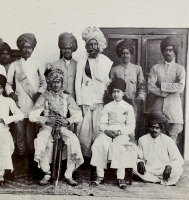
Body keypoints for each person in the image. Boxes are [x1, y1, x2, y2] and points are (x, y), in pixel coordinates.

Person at [29, 69, 84, 186]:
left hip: (63, 127)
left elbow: (79, 115)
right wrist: (48, 120)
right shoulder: (44, 97)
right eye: (53, 82)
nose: (56, 84)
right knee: (41, 140)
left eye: (58, 81)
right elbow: (32, 116)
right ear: (49, 83)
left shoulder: (67, 97)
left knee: (73, 140)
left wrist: (67, 121)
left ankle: (69, 174)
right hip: (47, 127)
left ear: (62, 82)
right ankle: (46, 172)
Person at [5, 33, 47, 160]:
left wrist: (39, 93)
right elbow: (8, 84)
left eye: (29, 47)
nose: (27, 50)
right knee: (19, 133)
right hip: (19, 104)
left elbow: (44, 83)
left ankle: (31, 159)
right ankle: (21, 156)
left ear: (33, 49)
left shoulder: (38, 64)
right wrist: (11, 93)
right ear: (20, 49)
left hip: (34, 104)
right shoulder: (14, 65)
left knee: (31, 134)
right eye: (24, 47)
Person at [91, 78, 137, 189]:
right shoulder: (107, 107)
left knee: (120, 146)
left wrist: (120, 131)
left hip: (121, 133)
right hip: (107, 131)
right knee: (99, 143)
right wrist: (106, 131)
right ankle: (100, 175)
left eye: (118, 92)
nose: (116, 94)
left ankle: (120, 177)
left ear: (123, 93)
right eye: (114, 91)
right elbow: (101, 123)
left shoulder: (128, 107)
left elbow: (131, 126)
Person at [75, 27, 113, 158]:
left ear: (99, 45)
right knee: (84, 131)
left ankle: (97, 158)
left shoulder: (106, 61)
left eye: (95, 44)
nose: (92, 47)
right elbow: (77, 83)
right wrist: (79, 103)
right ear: (86, 46)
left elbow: (107, 81)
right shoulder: (81, 62)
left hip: (99, 101)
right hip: (85, 101)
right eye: (90, 44)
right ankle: (85, 158)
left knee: (98, 130)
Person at [148, 35, 185, 144]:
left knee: (172, 139)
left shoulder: (180, 69)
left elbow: (180, 86)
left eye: (170, 50)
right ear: (162, 52)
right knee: (157, 139)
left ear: (175, 51)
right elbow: (150, 86)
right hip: (158, 108)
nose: (168, 53)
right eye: (165, 50)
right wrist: (160, 92)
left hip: (174, 109)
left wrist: (163, 86)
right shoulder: (155, 68)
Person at [134, 111, 184, 186]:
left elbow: (179, 159)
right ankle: (162, 180)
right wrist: (140, 162)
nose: (154, 130)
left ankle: (152, 179)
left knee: (178, 169)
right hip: (148, 169)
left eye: (157, 128)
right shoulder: (142, 139)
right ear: (148, 127)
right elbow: (139, 156)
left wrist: (169, 166)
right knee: (132, 165)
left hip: (163, 170)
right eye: (152, 127)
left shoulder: (168, 140)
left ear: (161, 129)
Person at [52, 32, 78, 99]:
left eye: (69, 48)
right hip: (59, 100)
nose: (66, 51)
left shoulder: (77, 65)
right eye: (64, 48)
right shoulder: (55, 65)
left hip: (74, 100)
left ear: (72, 49)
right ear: (61, 49)